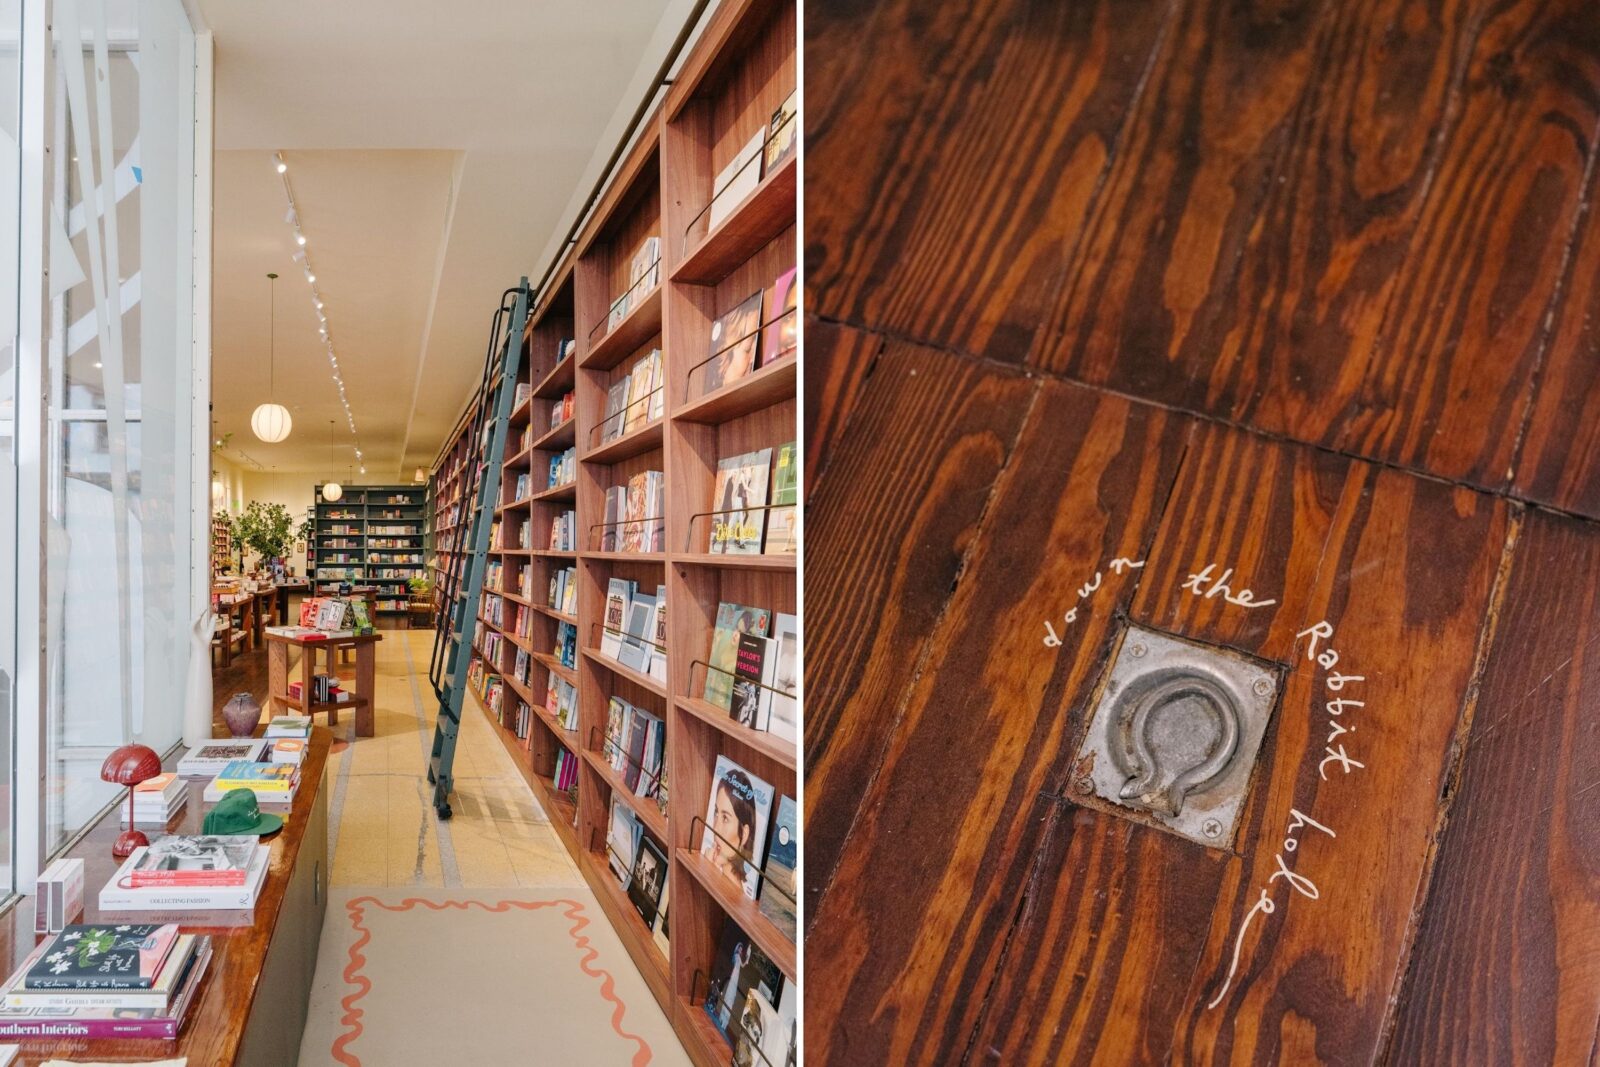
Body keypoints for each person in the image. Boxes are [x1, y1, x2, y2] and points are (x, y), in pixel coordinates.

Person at [705, 766, 757, 888]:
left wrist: (708, 875)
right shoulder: (720, 880)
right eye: (716, 813)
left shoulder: (736, 895)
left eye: (725, 818)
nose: (716, 828)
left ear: (744, 834)